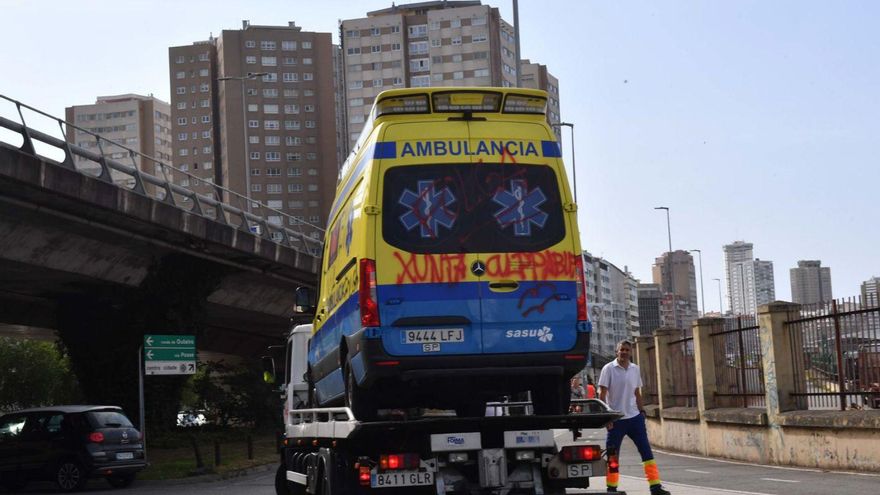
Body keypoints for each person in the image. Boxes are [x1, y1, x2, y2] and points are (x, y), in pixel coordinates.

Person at [598, 340, 670, 495]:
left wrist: (642, 411)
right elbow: (602, 394)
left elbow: (637, 393)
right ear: (617, 351)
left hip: (635, 418)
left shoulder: (634, 369)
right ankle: (611, 488)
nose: (624, 352)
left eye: (627, 350)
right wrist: (606, 418)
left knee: (646, 452)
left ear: (630, 352)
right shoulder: (608, 369)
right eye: (621, 349)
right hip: (615, 420)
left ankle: (655, 486)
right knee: (613, 456)